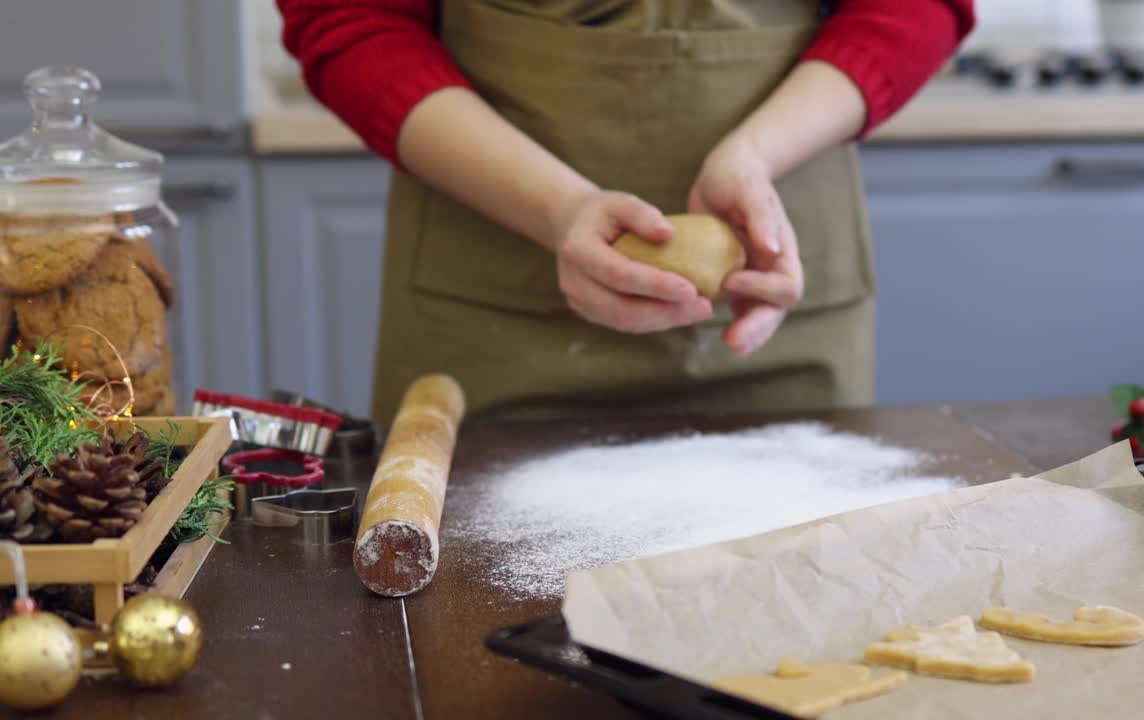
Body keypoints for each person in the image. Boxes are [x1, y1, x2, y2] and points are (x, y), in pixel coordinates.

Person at [277, 0, 974, 427]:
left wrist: (758, 153)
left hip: (772, 287)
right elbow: (352, 17)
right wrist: (558, 209)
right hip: (491, 312)